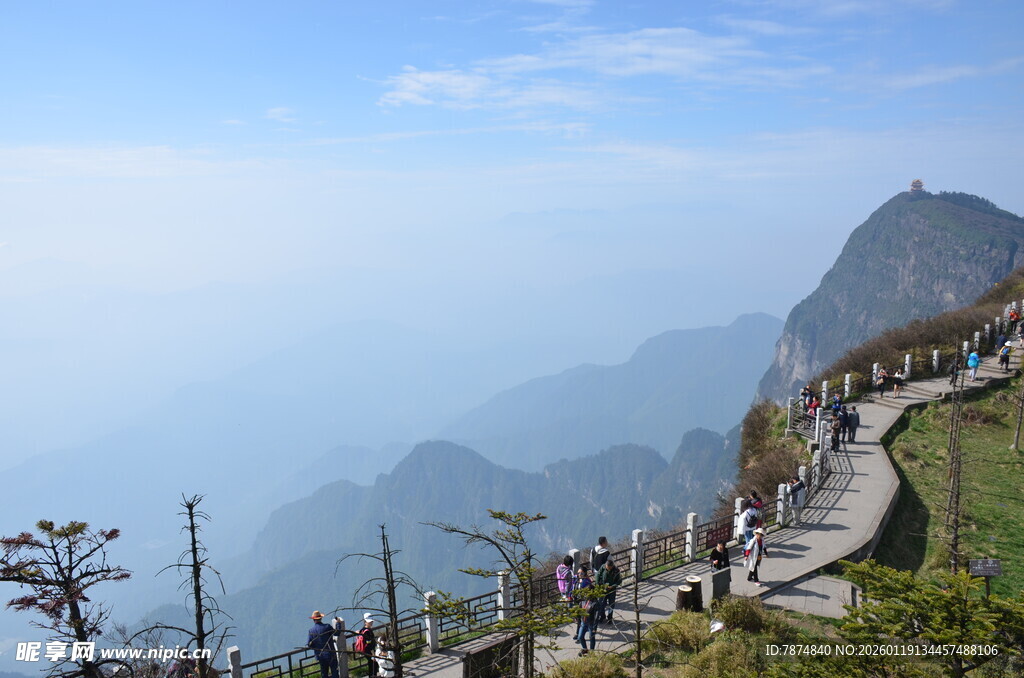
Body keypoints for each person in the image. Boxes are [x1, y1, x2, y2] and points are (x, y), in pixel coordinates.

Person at [307, 611, 341, 678]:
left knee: (324, 673)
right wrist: (338, 624)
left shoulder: (311, 631)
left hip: (320, 655)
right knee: (334, 672)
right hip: (331, 653)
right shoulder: (327, 627)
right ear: (321, 618)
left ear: (313, 620)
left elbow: (309, 644)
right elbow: (337, 633)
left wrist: (316, 647)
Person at [572, 566, 596, 655]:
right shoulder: (577, 581)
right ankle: (585, 648)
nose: (579, 575)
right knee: (581, 635)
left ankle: (592, 652)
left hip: (590, 622)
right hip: (583, 618)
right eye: (578, 573)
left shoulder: (594, 603)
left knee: (591, 637)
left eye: (581, 573)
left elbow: (596, 614)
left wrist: (595, 626)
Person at [596, 559, 622, 624]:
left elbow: (619, 581)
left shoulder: (616, 570)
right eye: (607, 568)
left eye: (609, 568)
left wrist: (613, 586)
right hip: (603, 589)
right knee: (601, 603)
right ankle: (602, 616)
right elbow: (598, 575)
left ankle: (610, 618)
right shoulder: (603, 567)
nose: (608, 569)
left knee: (611, 604)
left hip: (612, 590)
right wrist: (598, 585)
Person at [356, 614, 377, 678]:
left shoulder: (362, 630)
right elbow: (369, 643)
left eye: (371, 622)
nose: (371, 623)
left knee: (371, 665)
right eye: (370, 622)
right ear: (365, 621)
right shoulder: (368, 631)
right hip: (369, 651)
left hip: (365, 651)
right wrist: (373, 653)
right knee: (373, 665)